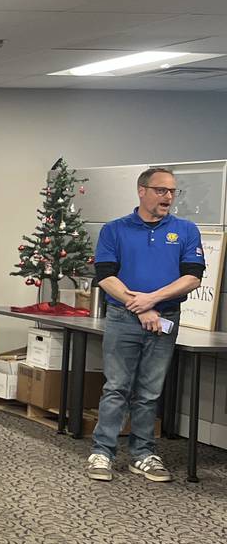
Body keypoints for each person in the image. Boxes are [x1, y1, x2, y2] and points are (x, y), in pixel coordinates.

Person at [86, 167, 204, 484]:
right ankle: (102, 451)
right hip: (123, 318)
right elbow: (106, 276)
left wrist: (152, 300)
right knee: (117, 387)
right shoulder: (114, 230)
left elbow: (193, 276)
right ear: (142, 190)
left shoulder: (186, 230)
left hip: (165, 318)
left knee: (150, 392)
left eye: (172, 192)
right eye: (161, 190)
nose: (168, 197)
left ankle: (143, 454)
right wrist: (138, 307)